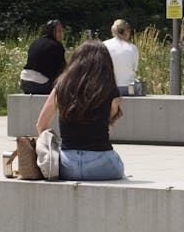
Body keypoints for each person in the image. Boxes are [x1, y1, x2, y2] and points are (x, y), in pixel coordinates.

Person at [36, 39, 125, 181]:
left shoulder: (61, 86)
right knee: (118, 163)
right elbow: (109, 123)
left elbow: (41, 125)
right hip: (102, 165)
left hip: (66, 165)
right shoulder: (110, 90)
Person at [19, 19, 65, 95]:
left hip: (24, 82)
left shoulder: (35, 42)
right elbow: (62, 69)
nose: (61, 34)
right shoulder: (56, 46)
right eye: (59, 31)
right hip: (40, 85)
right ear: (51, 32)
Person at [103, 18, 140, 90]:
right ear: (126, 31)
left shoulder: (104, 45)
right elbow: (135, 68)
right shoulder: (132, 48)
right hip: (128, 88)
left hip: (108, 88)